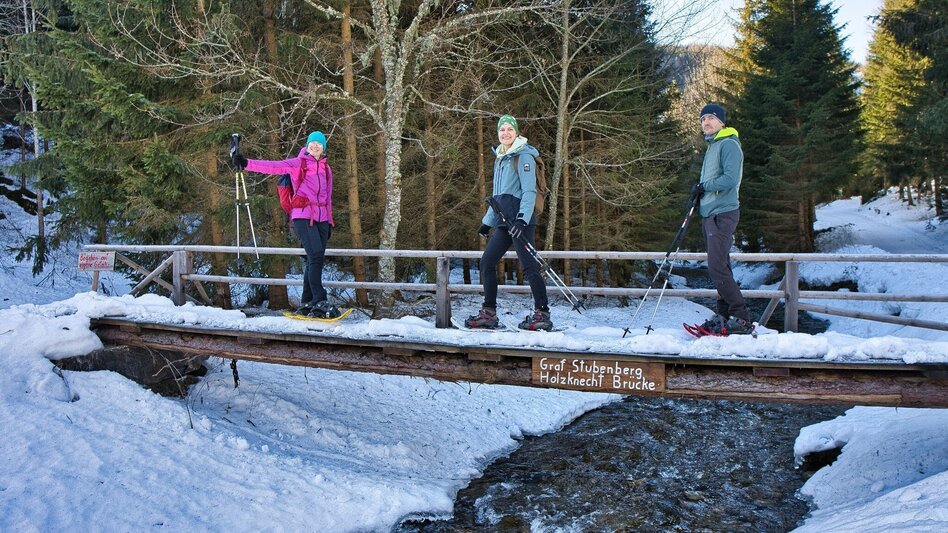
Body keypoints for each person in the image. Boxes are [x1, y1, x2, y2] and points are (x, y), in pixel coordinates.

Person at [232, 131, 340, 319]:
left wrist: (329, 221)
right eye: (312, 143)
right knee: (315, 256)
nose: (315, 146)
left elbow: (328, 198)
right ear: (307, 146)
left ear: (324, 148)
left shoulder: (326, 169)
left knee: (313, 259)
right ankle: (319, 301)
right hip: (303, 215)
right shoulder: (299, 163)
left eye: (319, 144)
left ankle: (306, 303)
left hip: (322, 219)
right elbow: (274, 167)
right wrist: (246, 163)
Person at [465, 115, 552, 331]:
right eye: (501, 130)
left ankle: (542, 314)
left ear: (516, 132)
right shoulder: (501, 158)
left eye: (509, 129)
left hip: (521, 221)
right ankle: (489, 313)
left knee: (530, 267)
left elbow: (529, 191)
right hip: (504, 223)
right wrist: (487, 222)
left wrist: (522, 219)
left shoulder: (523, 157)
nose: (505, 133)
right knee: (487, 263)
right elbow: (498, 197)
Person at [693, 103, 753, 335]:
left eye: (711, 118)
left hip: (723, 213)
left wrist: (704, 186)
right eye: (703, 119)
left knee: (717, 267)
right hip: (711, 213)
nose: (706, 122)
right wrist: (699, 195)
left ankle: (741, 317)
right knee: (721, 267)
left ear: (721, 122)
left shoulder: (728, 144)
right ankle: (725, 315)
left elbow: (729, 179)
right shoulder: (713, 146)